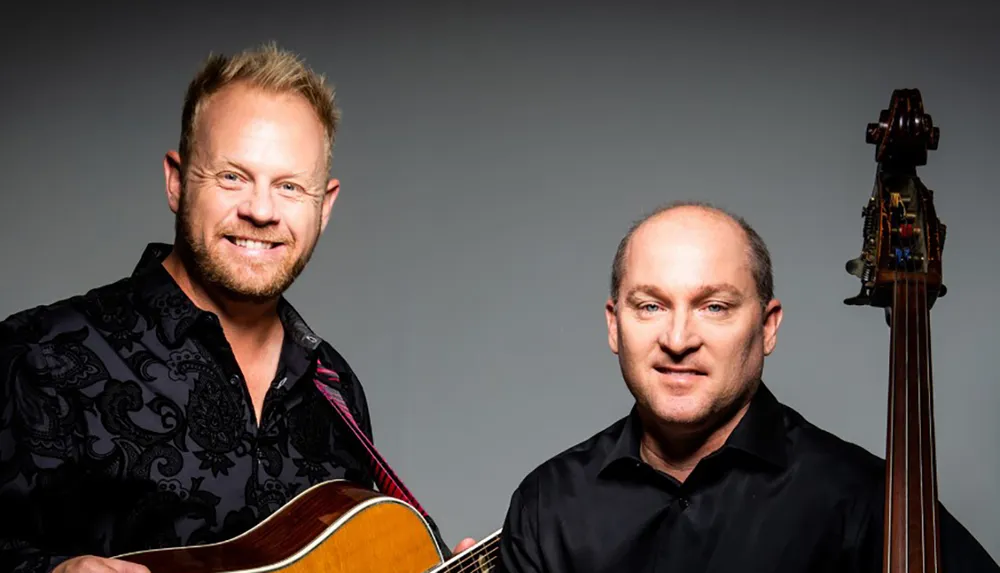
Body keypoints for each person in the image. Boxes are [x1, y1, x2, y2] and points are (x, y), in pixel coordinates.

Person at [0, 43, 474, 573]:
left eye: (290, 186)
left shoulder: (334, 391)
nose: (261, 210)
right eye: (232, 176)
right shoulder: (39, 355)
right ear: (176, 181)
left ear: (325, 206)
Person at [495, 201, 999, 572]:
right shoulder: (548, 504)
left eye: (714, 307)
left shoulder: (863, 499)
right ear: (614, 325)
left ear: (767, 327)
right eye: (651, 306)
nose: (677, 339)